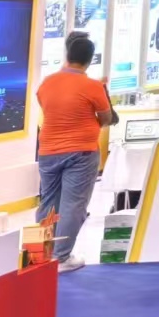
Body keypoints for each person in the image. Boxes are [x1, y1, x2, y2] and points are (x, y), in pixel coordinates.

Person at [35, 33, 115, 272]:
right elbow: (107, 118)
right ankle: (61, 257)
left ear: (67, 55)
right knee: (73, 205)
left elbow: (47, 107)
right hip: (81, 151)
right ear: (90, 60)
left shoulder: (47, 83)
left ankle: (40, 254)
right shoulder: (93, 86)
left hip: (48, 150)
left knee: (48, 202)